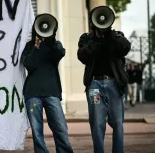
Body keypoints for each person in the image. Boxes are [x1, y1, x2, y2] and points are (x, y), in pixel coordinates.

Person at [77, 9, 131, 153]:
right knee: (97, 123)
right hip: (95, 84)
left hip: (114, 83)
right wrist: (96, 40)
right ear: (92, 22)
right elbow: (82, 56)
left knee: (118, 122)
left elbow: (125, 48)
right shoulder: (86, 38)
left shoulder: (116, 36)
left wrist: (110, 35)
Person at [21, 16, 73, 153]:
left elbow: (60, 53)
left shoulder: (55, 45)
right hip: (32, 93)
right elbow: (29, 65)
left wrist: (50, 40)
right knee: (37, 132)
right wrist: (36, 47)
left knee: (60, 128)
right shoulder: (29, 47)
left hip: (52, 92)